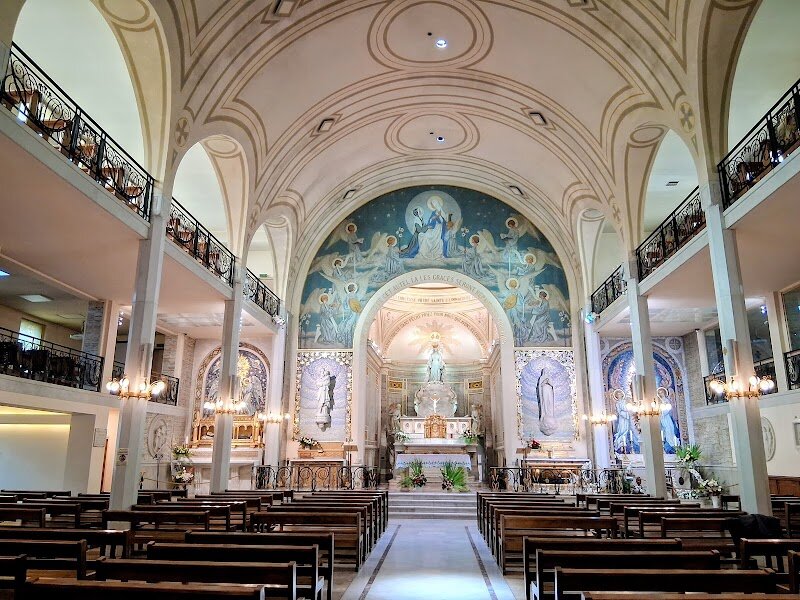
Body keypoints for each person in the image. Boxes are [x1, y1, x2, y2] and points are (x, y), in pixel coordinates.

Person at [537, 369, 557, 436]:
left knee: (550, 403)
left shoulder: (549, 378)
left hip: (549, 391)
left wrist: (549, 382)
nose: (546, 372)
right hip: (544, 391)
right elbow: (540, 386)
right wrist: (544, 382)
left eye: (547, 371)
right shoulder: (542, 378)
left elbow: (553, 386)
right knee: (545, 403)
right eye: (545, 371)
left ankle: (550, 414)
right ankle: (545, 414)